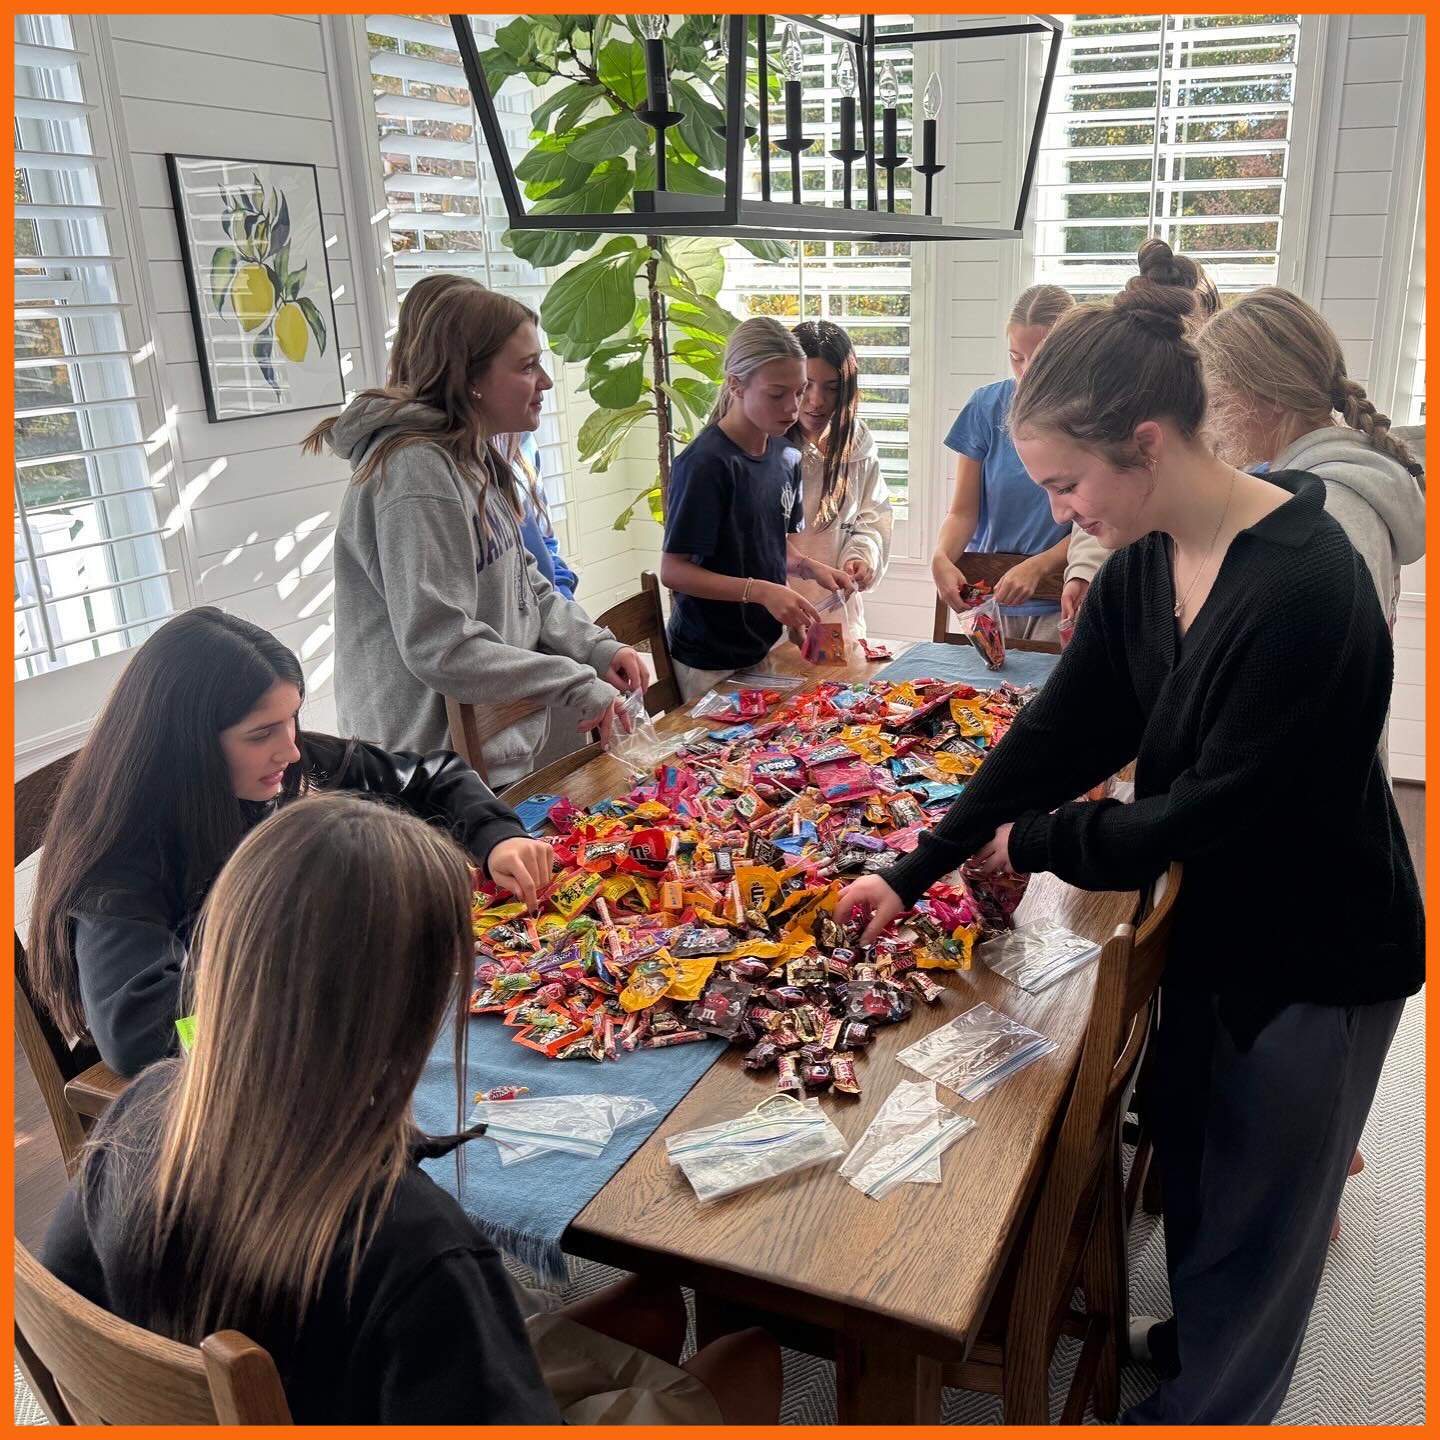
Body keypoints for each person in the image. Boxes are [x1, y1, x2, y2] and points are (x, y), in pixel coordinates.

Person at [837, 240, 1424, 1425]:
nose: (1058, 514)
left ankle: (1213, 1402)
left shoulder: (1308, 584)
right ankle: (1202, 1338)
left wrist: (1045, 842)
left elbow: (1214, 810)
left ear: (1147, 445)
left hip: (1319, 953)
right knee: (1202, 1169)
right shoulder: (1148, 561)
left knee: (1268, 1219)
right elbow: (1053, 734)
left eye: (1064, 487)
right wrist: (917, 866)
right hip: (1214, 922)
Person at [41, 796, 782, 1423]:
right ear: (420, 1006)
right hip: (365, 1381)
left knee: (650, 1310)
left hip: (315, 1386)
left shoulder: (140, 1112)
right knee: (749, 1352)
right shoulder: (418, 1247)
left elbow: (74, 1310)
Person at [23, 608, 552, 1078]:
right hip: (204, 1091)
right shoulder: (124, 852)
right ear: (187, 745)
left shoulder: (289, 766)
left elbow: (432, 778)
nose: (292, 750)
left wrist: (497, 838)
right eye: (261, 734)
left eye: (293, 718)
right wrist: (311, 959)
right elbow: (137, 1034)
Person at [303, 275, 643, 786]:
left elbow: (526, 581)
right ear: (471, 379)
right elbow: (442, 645)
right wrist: (575, 682)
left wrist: (598, 648)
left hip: (480, 755)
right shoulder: (416, 472)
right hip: (426, 773)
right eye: (527, 366)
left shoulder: (469, 451)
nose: (546, 382)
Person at [660, 316, 856, 701]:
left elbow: (768, 545)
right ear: (735, 384)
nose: (793, 406)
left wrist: (807, 567)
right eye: (777, 394)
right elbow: (674, 571)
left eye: (798, 392)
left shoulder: (786, 455)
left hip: (764, 645)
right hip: (709, 658)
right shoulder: (706, 464)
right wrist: (762, 592)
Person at [931, 283, 1075, 641]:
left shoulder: (1090, 417)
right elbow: (964, 512)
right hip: (988, 602)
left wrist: (1039, 566)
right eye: (1016, 357)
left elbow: (1095, 528)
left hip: (1061, 605)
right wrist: (941, 558)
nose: (1025, 371)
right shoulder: (985, 406)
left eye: (1038, 359)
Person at [785, 319, 894, 639]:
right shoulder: (767, 445)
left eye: (832, 388)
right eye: (806, 385)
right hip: (776, 617)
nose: (817, 400)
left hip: (837, 617)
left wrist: (860, 557)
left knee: (840, 689)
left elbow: (872, 519)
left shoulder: (857, 443)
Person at [507, 429, 581, 603]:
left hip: (550, 608)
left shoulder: (524, 441)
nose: (541, 399)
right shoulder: (463, 464)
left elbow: (545, 541)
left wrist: (565, 598)